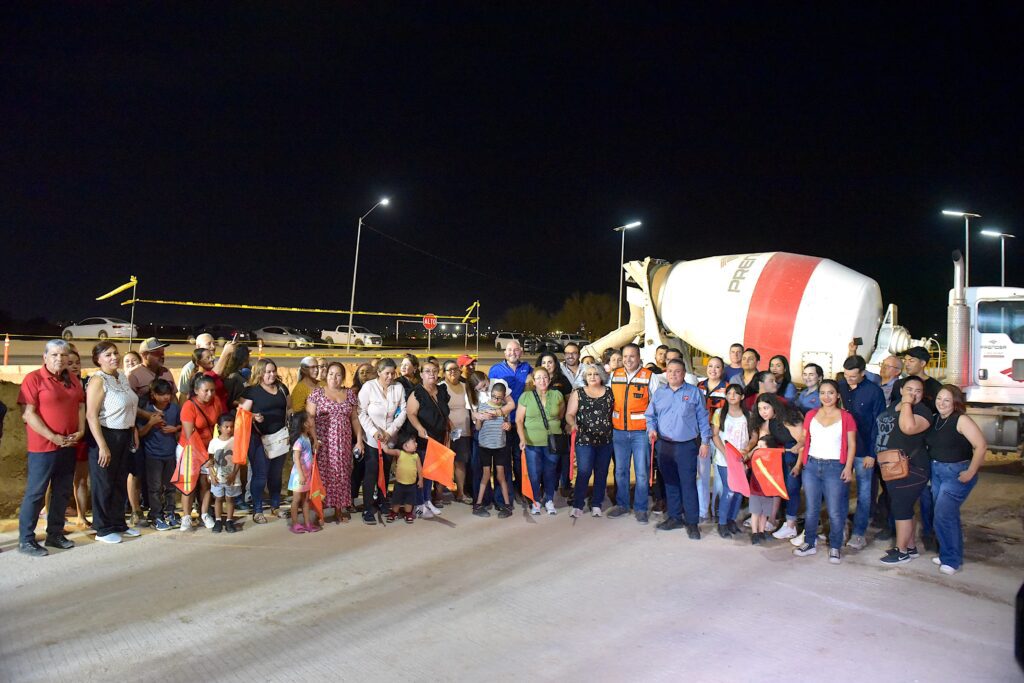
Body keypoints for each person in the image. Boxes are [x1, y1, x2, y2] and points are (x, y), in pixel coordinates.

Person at [16, 340, 85, 556]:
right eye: (54, 355)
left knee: (62, 491)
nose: (59, 359)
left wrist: (81, 430)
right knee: (36, 493)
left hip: (68, 445)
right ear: (45, 357)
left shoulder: (72, 379)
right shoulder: (34, 379)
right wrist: (53, 437)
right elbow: (28, 414)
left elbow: (80, 406)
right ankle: (26, 539)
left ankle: (55, 533)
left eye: (63, 355)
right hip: (43, 447)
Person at [645, 358, 712, 538]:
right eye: (670, 371)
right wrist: (651, 429)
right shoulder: (659, 393)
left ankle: (692, 522)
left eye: (677, 371)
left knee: (688, 484)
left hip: (686, 446)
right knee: (670, 482)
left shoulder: (694, 393)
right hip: (664, 445)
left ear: (683, 374)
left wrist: (705, 442)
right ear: (666, 373)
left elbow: (703, 418)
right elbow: (650, 416)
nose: (673, 374)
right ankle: (674, 517)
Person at [792, 380, 857, 564]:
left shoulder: (846, 417)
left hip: (835, 467)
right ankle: (809, 543)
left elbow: (852, 445)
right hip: (812, 466)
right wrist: (799, 446)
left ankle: (835, 546)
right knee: (811, 509)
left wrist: (848, 467)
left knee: (835, 510)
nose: (826, 397)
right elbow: (805, 437)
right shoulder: (811, 415)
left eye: (830, 393)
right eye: (822, 393)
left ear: (838, 395)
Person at [926, 385, 987, 574]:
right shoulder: (936, 419)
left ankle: (952, 560)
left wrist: (971, 472)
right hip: (936, 471)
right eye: (939, 399)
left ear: (955, 402)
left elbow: (981, 446)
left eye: (947, 400)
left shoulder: (961, 420)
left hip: (956, 473)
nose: (941, 403)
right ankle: (947, 553)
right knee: (945, 515)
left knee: (943, 515)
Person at [86, 341, 141, 544]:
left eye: (115, 353)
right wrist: (102, 445)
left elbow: (129, 407)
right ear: (98, 360)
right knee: (104, 483)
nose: (114, 357)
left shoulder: (121, 377)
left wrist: (133, 430)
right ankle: (102, 528)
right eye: (108, 355)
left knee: (119, 481)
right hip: (105, 435)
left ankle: (118, 523)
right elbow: (91, 415)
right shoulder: (98, 380)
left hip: (124, 435)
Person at [875, 376, 933, 565]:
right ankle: (910, 547)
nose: (913, 394)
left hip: (911, 468)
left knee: (901, 508)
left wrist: (907, 403)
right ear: (901, 390)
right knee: (903, 507)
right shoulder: (894, 405)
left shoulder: (922, 411)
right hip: (892, 467)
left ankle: (901, 552)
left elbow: (908, 427)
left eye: (918, 391)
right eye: (909, 389)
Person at [607, 344, 663, 524]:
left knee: (642, 472)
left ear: (639, 358)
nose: (628, 360)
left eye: (632, 356)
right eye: (625, 356)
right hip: (619, 432)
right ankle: (622, 505)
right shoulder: (614, 376)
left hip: (641, 433)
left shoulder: (649, 376)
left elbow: (657, 404)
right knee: (620, 471)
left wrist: (653, 428)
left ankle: (640, 507)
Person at [838, 355, 887, 551]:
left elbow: (879, 424)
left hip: (864, 450)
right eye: (846, 375)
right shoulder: (841, 387)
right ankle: (840, 527)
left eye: (853, 376)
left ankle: (859, 533)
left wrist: (872, 453)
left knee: (864, 494)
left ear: (863, 373)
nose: (848, 379)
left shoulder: (874, 392)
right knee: (839, 490)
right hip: (842, 450)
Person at [307, 362, 362, 524]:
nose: (334, 378)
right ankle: (319, 512)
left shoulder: (349, 394)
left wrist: (359, 440)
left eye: (338, 375)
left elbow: (354, 418)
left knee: (342, 474)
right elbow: (310, 417)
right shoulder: (317, 393)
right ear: (326, 375)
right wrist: (314, 438)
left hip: (343, 443)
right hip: (323, 443)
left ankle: (339, 510)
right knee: (323, 476)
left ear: (343, 377)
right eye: (331, 374)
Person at [746, 394, 803, 543]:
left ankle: (791, 525)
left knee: (791, 489)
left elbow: (803, 441)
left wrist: (798, 465)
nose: (763, 412)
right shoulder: (768, 421)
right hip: (779, 455)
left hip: (794, 455)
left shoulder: (788, 419)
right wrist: (749, 453)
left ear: (774, 406)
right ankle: (770, 519)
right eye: (760, 409)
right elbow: (761, 441)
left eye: (766, 408)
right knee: (778, 486)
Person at [239, 359, 290, 524]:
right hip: (258, 439)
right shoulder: (251, 391)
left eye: (274, 371)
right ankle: (258, 510)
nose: (272, 374)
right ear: (260, 373)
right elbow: (241, 413)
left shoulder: (282, 388)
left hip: (279, 438)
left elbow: (288, 408)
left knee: (276, 474)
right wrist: (253, 416)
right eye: (268, 372)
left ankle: (275, 506)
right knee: (260, 475)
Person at [358, 357, 408, 524]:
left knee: (385, 470)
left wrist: (390, 431)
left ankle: (382, 500)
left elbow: (403, 411)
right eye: (387, 373)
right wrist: (373, 432)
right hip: (372, 440)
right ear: (379, 372)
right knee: (371, 472)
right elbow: (361, 412)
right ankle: (367, 507)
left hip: (390, 438)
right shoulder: (369, 387)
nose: (390, 377)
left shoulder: (398, 387)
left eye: (393, 373)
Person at [564, 365, 614, 518]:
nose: (592, 377)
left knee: (601, 472)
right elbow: (569, 414)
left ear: (602, 376)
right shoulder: (578, 393)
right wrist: (572, 424)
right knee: (584, 471)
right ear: (585, 377)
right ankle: (578, 504)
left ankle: (597, 503)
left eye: (596, 374)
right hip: (585, 439)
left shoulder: (609, 392)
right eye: (589, 374)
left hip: (606, 439)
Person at [516, 367, 565, 515]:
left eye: (545, 377)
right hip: (532, 441)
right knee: (534, 473)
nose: (542, 380)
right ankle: (535, 500)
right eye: (538, 378)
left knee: (550, 471)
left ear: (549, 379)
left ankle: (549, 499)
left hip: (553, 441)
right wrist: (522, 438)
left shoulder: (557, 395)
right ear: (533, 381)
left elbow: (560, 415)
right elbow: (519, 420)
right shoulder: (526, 396)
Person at [179, 374, 224, 530]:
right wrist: (204, 458)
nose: (210, 394)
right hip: (189, 448)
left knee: (206, 483)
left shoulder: (216, 402)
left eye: (212, 390)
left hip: (208, 447)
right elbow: (190, 434)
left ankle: (204, 514)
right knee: (189, 484)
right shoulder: (189, 406)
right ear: (197, 391)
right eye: (206, 391)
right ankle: (186, 517)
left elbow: (219, 425)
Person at [490, 340, 532, 504]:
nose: (512, 353)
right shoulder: (496, 370)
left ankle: (522, 491)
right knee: (502, 462)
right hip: (503, 423)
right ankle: (502, 496)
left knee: (521, 460)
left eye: (516, 350)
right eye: (509, 350)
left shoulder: (527, 368)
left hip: (521, 423)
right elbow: (492, 397)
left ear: (521, 352)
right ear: (504, 352)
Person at [407, 360, 451, 517]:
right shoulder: (417, 392)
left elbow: (444, 413)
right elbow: (411, 413)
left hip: (439, 438)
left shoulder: (442, 390)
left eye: (434, 371)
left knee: (432, 472)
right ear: (421, 374)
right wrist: (419, 428)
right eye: (427, 371)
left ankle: (427, 500)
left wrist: (449, 427)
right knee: (422, 473)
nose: (431, 374)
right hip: (424, 439)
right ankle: (419, 504)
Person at [137, 379, 181, 531]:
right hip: (153, 455)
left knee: (170, 487)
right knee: (154, 488)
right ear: (153, 395)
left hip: (170, 454)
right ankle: (156, 515)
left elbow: (182, 424)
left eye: (168, 394)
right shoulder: (146, 410)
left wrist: (175, 429)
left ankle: (170, 513)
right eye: (161, 394)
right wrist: (151, 422)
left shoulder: (174, 408)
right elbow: (140, 433)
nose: (166, 397)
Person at [710, 384, 749, 537]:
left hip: (741, 460)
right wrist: (726, 453)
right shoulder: (719, 413)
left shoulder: (748, 415)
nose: (732, 396)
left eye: (736, 393)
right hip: (724, 459)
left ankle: (731, 520)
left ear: (742, 397)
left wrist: (747, 451)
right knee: (730, 490)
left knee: (739, 492)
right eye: (729, 393)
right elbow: (715, 435)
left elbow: (753, 436)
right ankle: (722, 523)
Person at [473, 382, 513, 518]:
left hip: (499, 446)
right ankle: (478, 504)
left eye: (499, 398)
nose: (496, 400)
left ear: (504, 397)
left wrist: (508, 426)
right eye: (494, 397)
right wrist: (480, 418)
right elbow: (478, 428)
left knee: (501, 475)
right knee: (485, 475)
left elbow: (508, 424)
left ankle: (507, 505)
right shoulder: (483, 406)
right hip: (485, 446)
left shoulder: (504, 409)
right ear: (490, 394)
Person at [697, 356, 728, 523]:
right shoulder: (699, 387)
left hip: (719, 436)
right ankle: (703, 511)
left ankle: (718, 510)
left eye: (717, 367)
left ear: (722, 370)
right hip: (702, 436)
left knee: (719, 475)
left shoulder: (727, 389)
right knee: (702, 475)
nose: (713, 370)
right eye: (710, 366)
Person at [442, 360, 474, 503]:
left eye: (455, 369)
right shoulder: (441, 387)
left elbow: (472, 407)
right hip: (446, 432)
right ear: (444, 373)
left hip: (464, 431)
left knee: (461, 462)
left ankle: (460, 492)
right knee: (444, 462)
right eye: (449, 369)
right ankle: (440, 493)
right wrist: (449, 425)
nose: (453, 372)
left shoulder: (465, 386)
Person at [66, 349, 91, 530]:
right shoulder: (59, 385)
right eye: (70, 363)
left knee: (81, 479)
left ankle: (82, 516)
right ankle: (51, 515)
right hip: (64, 436)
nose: (75, 366)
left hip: (83, 436)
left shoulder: (87, 384)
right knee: (55, 480)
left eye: (77, 362)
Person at [207, 412, 242, 533]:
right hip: (218, 477)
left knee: (230, 499)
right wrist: (212, 475)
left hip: (232, 477)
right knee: (218, 498)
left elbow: (239, 460)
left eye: (231, 427)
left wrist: (233, 474)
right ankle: (218, 520)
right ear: (219, 427)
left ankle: (229, 520)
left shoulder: (235, 441)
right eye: (226, 427)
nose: (229, 429)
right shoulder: (213, 442)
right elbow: (210, 461)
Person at [349, 362, 377, 508]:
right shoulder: (354, 392)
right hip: (358, 436)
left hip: (373, 435)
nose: (365, 375)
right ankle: (351, 500)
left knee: (370, 470)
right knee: (358, 469)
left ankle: (371, 499)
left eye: (368, 372)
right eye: (362, 372)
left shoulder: (377, 389)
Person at [287, 411, 320, 533]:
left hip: (306, 474)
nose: (312, 420)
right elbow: (296, 458)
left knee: (306, 499)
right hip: (299, 476)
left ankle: (307, 523)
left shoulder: (306, 438)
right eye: (310, 418)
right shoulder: (299, 441)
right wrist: (301, 474)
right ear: (305, 423)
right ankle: (295, 524)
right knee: (296, 499)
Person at [383, 431, 423, 524]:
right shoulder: (399, 453)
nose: (416, 444)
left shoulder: (416, 456)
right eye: (414, 442)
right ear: (405, 445)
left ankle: (408, 513)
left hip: (411, 485)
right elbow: (387, 451)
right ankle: (394, 513)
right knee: (396, 501)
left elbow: (420, 469)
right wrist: (383, 443)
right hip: (399, 484)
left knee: (409, 501)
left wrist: (421, 480)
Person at [888, 346, 943, 411]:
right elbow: (893, 407)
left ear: (922, 363)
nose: (906, 364)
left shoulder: (936, 387)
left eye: (911, 361)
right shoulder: (898, 384)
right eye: (905, 360)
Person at [177, 333, 215, 399]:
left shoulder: (218, 363)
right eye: (209, 344)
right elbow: (183, 394)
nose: (213, 347)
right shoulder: (188, 368)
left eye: (214, 343)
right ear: (198, 346)